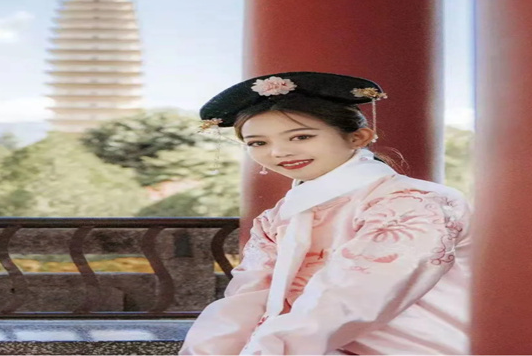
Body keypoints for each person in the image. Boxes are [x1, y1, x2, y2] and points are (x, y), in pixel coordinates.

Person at [180, 72, 471, 355]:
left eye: (301, 137)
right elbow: (248, 299)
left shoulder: (417, 202)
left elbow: (355, 299)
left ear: (358, 137)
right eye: (258, 143)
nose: (278, 152)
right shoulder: (277, 218)